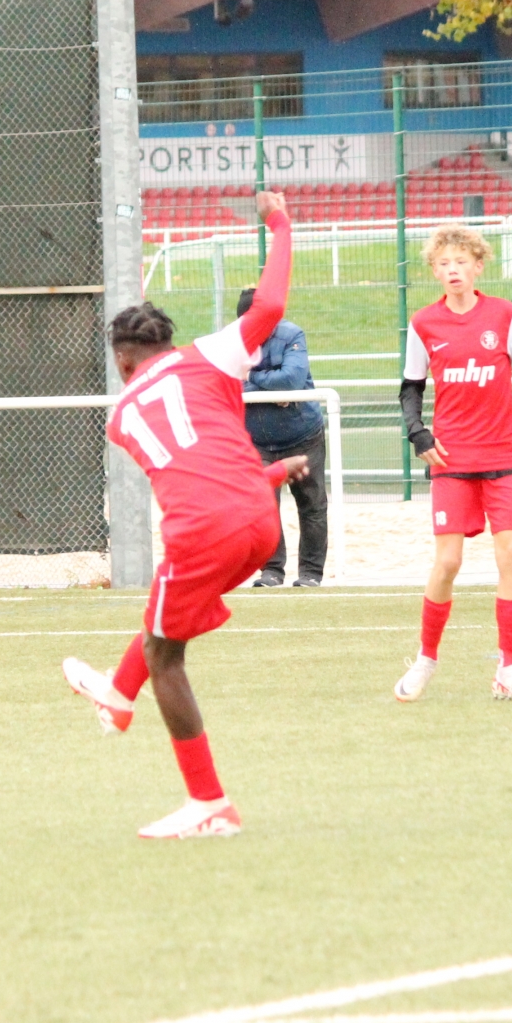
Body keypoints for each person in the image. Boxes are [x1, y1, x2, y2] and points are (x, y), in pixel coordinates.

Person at [60, 192, 309, 840]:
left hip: (203, 531)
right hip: (260, 522)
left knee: (165, 654)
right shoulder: (210, 354)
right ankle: (118, 698)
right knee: (164, 623)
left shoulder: (120, 418)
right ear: (167, 341)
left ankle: (208, 802)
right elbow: (270, 307)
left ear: (122, 362)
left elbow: (190, 470)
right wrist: (279, 224)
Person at [393, 225, 512, 705]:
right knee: (448, 562)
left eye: (461, 261)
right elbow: (410, 388)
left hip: (501, 454)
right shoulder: (424, 323)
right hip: (452, 458)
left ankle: (508, 669)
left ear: (478, 266)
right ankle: (426, 659)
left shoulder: (502, 314)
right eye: (444, 263)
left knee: (511, 554)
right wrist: (417, 432)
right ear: (434, 271)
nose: (453, 270)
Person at [236, 285, 327, 588]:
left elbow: (291, 379)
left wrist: (251, 377)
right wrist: (269, 389)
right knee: (264, 506)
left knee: (312, 504)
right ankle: (271, 571)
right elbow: (225, 383)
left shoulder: (291, 335)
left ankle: (311, 574)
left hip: (303, 436)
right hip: (257, 441)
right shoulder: (230, 344)